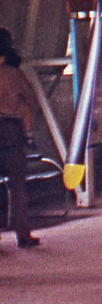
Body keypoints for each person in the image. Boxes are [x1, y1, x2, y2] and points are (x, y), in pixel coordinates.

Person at [0, 27, 40, 248]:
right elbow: (28, 104)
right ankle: (23, 235)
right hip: (11, 133)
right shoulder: (14, 75)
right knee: (18, 188)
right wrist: (29, 134)